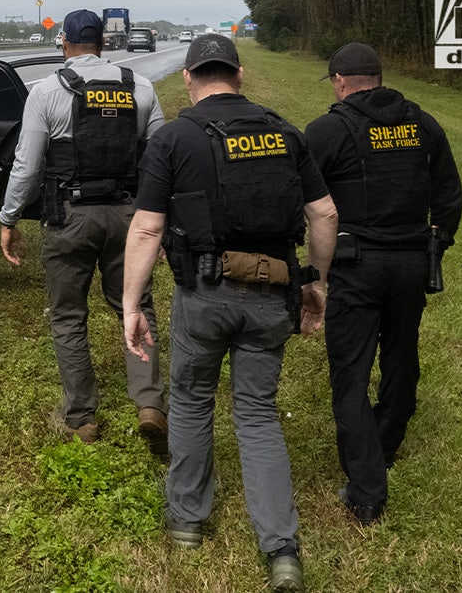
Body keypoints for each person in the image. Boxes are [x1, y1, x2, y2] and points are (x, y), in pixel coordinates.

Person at [122, 34, 337, 592]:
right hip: (271, 295)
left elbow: (146, 227)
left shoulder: (173, 140)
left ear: (191, 80)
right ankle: (281, 550)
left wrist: (130, 304)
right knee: (259, 414)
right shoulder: (286, 132)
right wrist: (317, 284)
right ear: (238, 75)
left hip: (203, 297)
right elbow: (325, 214)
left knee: (192, 401)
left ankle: (189, 523)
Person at [305, 42, 462, 526]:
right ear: (379, 76)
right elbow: (450, 192)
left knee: (349, 373)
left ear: (339, 81)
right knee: (402, 356)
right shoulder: (423, 122)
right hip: (413, 261)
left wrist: (314, 270)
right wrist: (439, 239)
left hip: (356, 267)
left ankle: (367, 490)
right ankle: (385, 441)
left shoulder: (328, 130)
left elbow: (305, 197)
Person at [0, 8, 167, 451]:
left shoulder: (48, 91)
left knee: (69, 315)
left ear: (66, 44)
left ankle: (81, 418)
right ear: (105, 44)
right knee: (136, 305)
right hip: (130, 218)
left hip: (69, 217)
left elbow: (28, 165)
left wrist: (9, 217)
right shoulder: (141, 88)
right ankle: (149, 404)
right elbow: (159, 163)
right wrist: (161, 225)